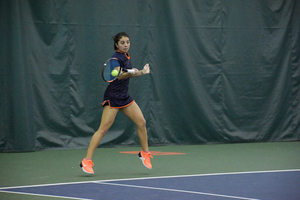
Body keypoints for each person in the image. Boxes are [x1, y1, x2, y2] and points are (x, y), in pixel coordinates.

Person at [80, 32, 152, 174]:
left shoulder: (126, 56)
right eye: (122, 43)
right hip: (113, 97)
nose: (126, 45)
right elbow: (119, 75)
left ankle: (145, 153)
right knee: (103, 129)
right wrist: (130, 73)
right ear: (116, 45)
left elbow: (127, 73)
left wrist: (142, 72)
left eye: (128, 42)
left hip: (124, 96)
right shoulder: (116, 58)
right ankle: (86, 161)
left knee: (141, 122)